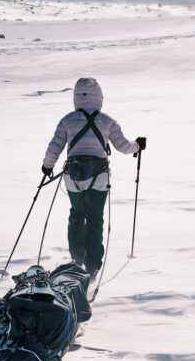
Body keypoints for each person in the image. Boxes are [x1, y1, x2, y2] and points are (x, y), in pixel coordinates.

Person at [41, 78, 145, 276]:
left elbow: (54, 147)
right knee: (95, 217)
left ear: (76, 97)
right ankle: (93, 264)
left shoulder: (67, 120)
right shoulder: (107, 120)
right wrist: (138, 146)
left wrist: (47, 167)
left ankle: (76, 259)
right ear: (99, 97)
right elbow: (123, 146)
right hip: (99, 176)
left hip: (73, 177)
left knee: (77, 214)